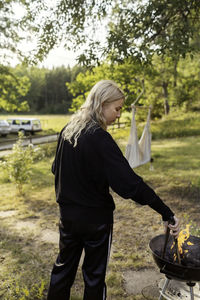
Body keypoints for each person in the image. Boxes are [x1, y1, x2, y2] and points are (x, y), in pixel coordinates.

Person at [47, 80, 180, 300]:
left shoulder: (68, 130)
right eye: (117, 108)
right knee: (94, 277)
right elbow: (131, 184)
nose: (118, 115)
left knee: (62, 270)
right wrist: (165, 211)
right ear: (101, 103)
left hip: (67, 217)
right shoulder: (99, 138)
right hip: (95, 222)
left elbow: (55, 169)